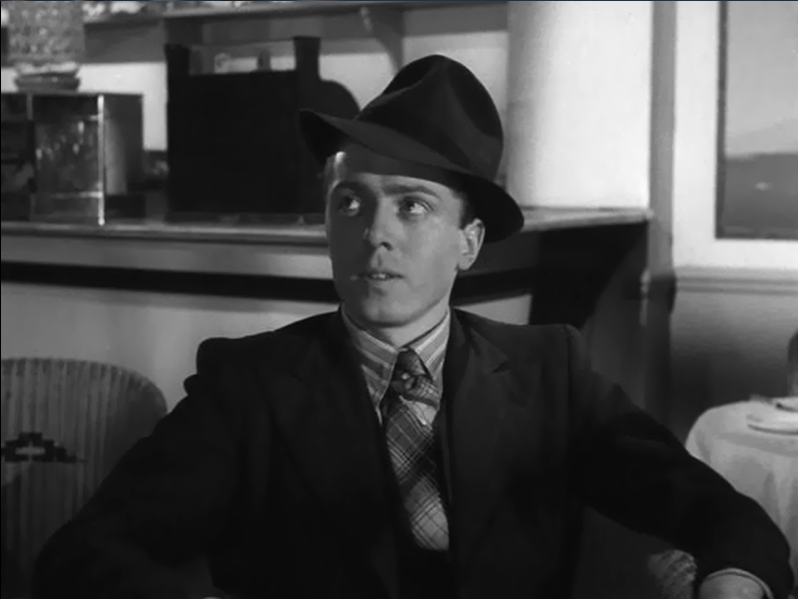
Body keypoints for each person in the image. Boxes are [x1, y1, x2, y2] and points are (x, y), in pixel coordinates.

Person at [32, 55, 793, 599]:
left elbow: (723, 515)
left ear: (469, 242)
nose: (375, 234)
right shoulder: (248, 385)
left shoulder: (549, 371)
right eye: (350, 202)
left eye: (412, 205)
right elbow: (82, 557)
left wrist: (732, 580)